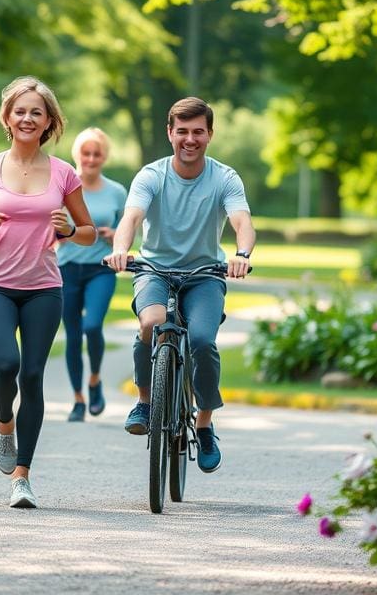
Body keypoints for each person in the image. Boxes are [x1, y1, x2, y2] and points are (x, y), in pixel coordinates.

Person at [0, 76, 96, 509]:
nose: (27, 118)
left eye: (37, 111)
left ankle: (22, 477)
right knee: (7, 363)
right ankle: (4, 424)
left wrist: (68, 229)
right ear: (7, 118)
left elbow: (86, 232)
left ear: (49, 121)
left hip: (43, 288)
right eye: (20, 111)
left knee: (32, 375)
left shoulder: (64, 173)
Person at [106, 96, 254, 474]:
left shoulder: (224, 177)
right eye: (182, 131)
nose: (190, 139)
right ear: (170, 133)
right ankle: (144, 400)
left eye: (198, 132)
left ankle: (204, 424)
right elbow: (132, 216)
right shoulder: (152, 175)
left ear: (210, 135)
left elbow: (241, 221)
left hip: (206, 274)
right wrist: (121, 250)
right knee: (151, 323)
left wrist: (242, 254)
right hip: (154, 269)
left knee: (203, 340)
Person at [57, 128, 127, 423]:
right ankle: (77, 399)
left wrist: (115, 236)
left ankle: (95, 379)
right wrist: (59, 232)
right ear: (77, 155)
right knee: (72, 336)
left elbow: (127, 234)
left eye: (97, 153)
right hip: (66, 269)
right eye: (86, 153)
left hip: (101, 269)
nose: (91, 158)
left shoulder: (117, 192)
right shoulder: (62, 187)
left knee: (92, 326)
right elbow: (50, 229)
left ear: (104, 157)